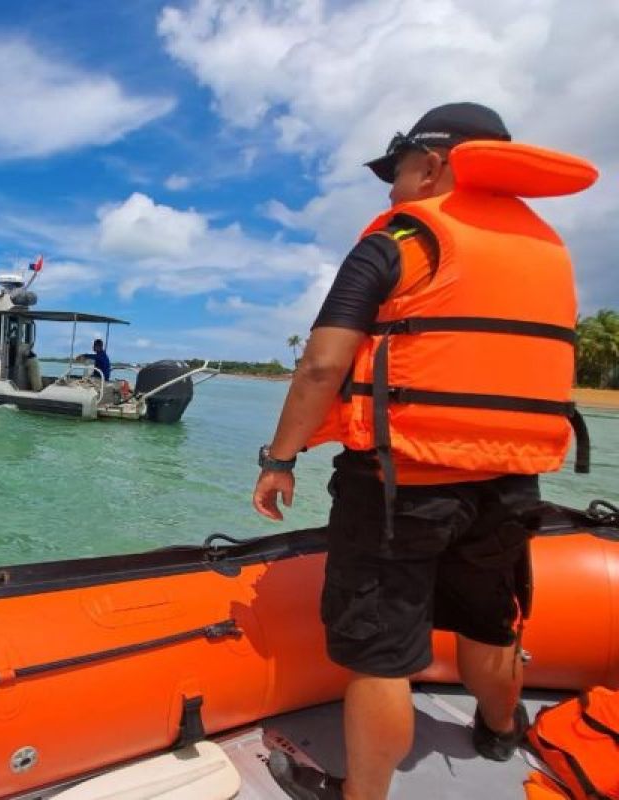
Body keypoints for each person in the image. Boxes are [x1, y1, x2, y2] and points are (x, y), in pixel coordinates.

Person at [251, 102, 596, 800]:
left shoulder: (401, 240)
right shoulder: (547, 249)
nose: (390, 188)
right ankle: (501, 731)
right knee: (491, 619)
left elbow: (322, 364)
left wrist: (279, 458)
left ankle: (361, 795)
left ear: (433, 163)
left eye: (399, 169)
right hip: (509, 483)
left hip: (398, 483)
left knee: (380, 656)